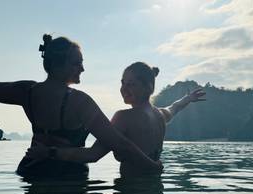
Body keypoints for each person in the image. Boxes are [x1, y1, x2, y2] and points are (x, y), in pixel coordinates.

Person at [0, 35, 162, 177]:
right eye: (77, 63)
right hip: (68, 177)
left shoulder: (27, 91)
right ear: (59, 65)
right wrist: (153, 167)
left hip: (32, 170)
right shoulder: (80, 102)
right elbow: (121, 144)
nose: (82, 68)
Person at [27, 62, 206, 176]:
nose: (124, 88)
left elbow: (93, 155)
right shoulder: (160, 115)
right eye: (122, 83)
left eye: (131, 84)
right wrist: (187, 99)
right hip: (153, 189)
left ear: (148, 88)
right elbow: (174, 108)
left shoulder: (123, 118)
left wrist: (50, 152)